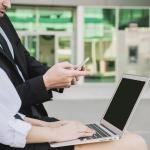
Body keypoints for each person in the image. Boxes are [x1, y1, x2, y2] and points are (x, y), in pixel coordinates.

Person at [0, 68, 148, 150]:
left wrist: (46, 125)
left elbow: (5, 109)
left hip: (22, 130)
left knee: (123, 136)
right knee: (135, 142)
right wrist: (54, 132)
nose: (8, 9)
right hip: (14, 143)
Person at [0, 0, 87, 121]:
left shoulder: (3, 19)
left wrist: (58, 74)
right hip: (11, 124)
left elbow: (24, 60)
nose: (7, 4)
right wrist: (45, 82)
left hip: (32, 114)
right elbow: (3, 102)